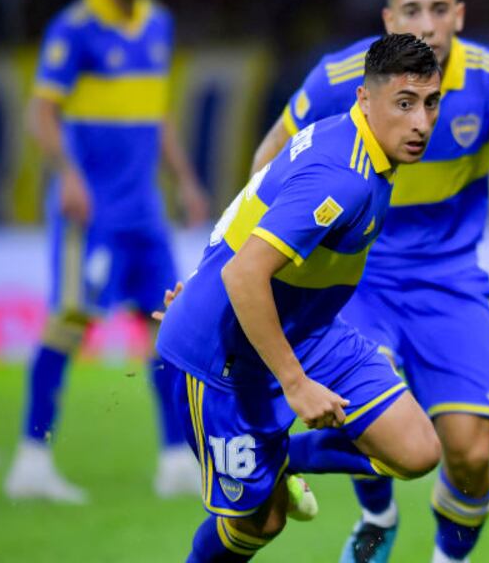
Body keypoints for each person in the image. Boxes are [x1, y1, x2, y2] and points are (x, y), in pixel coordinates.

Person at [251, 0, 489, 563]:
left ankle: (448, 557)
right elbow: (266, 165)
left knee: (469, 454)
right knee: (368, 418)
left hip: (451, 282)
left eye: (439, 9)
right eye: (411, 10)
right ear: (389, 18)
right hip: (358, 282)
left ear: (460, 16)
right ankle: (377, 514)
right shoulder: (342, 79)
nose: (425, 23)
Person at [155, 34, 444, 562]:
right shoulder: (343, 178)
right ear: (364, 98)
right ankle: (269, 470)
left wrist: (200, 273)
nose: (421, 122)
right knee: (260, 523)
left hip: (307, 329)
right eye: (404, 104)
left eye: (430, 103)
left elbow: (249, 207)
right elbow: (245, 275)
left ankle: (281, 459)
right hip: (224, 356)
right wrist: (297, 386)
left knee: (418, 450)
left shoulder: (350, 143)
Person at [5, 0, 210, 503]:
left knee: (165, 327)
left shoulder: (159, 24)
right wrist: (68, 175)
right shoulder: (75, 28)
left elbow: (157, 111)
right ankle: (31, 458)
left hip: (143, 210)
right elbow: (38, 112)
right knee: (69, 322)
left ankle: (177, 458)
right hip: (89, 210)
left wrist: (187, 180)